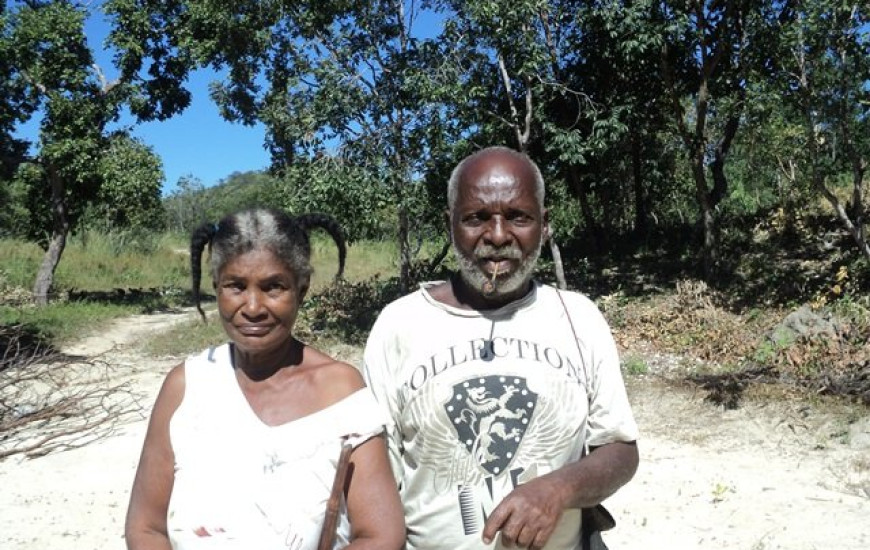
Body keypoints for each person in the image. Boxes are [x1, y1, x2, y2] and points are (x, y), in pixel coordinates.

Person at [362, 146, 639, 550]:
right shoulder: (398, 326)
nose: (496, 236)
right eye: (476, 218)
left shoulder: (579, 317)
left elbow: (619, 450)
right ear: (451, 225)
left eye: (518, 217)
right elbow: (375, 475)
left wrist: (558, 489)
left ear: (544, 226)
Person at [125, 208, 405, 550]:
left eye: (274, 287)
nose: (253, 306)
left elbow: (381, 537)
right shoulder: (185, 388)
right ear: (217, 288)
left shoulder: (340, 392)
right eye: (236, 286)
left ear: (301, 290)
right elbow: (146, 528)